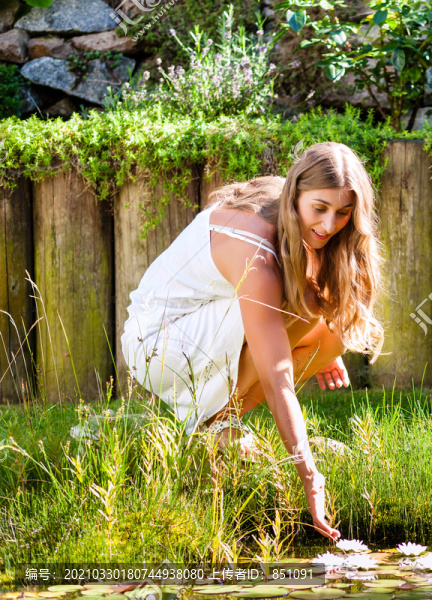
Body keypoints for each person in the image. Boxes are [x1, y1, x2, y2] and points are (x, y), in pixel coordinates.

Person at [120, 141, 386, 541]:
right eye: (320, 208)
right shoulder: (256, 258)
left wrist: (319, 343)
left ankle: (216, 425)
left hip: (201, 324)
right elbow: (278, 380)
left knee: (334, 331)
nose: (330, 225)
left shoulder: (288, 206)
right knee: (307, 307)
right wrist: (310, 477)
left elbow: (308, 277)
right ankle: (216, 425)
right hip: (156, 342)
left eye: (343, 213)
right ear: (297, 192)